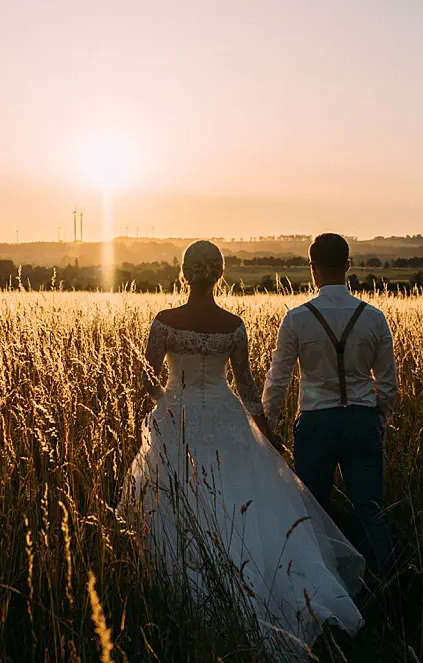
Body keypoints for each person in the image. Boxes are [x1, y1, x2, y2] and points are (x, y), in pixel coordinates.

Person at [121, 240, 365, 659]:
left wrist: (164, 402)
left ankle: (186, 600)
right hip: (225, 419)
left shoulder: (164, 321)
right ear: (219, 275)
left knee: (176, 504)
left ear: (185, 273)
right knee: (238, 503)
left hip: (174, 416)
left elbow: (143, 377)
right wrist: (266, 432)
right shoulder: (233, 325)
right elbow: (247, 386)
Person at [262, 233, 398, 577]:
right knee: (370, 512)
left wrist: (268, 427)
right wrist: (377, 420)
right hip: (361, 421)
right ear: (348, 266)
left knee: (313, 514)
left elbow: (278, 380)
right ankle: (388, 588)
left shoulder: (296, 318)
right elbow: (388, 384)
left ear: (314, 269)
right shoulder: (374, 318)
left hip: (315, 425)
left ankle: (319, 588)